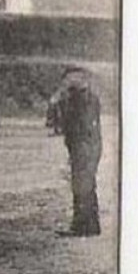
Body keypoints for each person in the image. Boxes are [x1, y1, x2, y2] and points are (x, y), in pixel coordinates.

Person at [60, 67, 102, 237]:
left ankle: (83, 225)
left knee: (82, 186)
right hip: (84, 147)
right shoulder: (86, 98)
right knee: (85, 185)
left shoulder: (81, 100)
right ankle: (89, 224)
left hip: (83, 148)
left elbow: (80, 126)